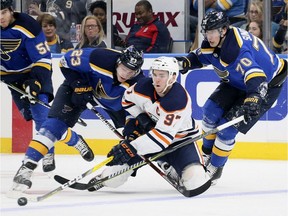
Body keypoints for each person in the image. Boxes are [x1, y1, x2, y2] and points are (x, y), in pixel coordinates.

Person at [9, 45, 145, 193]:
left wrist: (132, 135)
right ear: (118, 61)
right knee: (54, 125)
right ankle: (26, 167)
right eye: (124, 68)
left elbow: (135, 113)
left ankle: (116, 176)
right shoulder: (99, 57)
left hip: (116, 105)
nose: (126, 74)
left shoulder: (138, 84)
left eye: (132, 71)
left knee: (135, 141)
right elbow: (64, 61)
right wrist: (78, 84)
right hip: (79, 89)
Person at [175, 11, 287, 184]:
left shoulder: (237, 49)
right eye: (206, 32)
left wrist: (255, 97)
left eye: (212, 31)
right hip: (238, 81)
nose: (208, 36)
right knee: (210, 112)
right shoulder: (217, 41)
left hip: (266, 84)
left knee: (227, 129)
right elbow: (200, 56)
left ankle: (215, 168)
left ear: (224, 30)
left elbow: (255, 76)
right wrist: (186, 62)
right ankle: (206, 155)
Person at [87, 56, 209, 193]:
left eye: (162, 75)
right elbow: (127, 102)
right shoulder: (143, 86)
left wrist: (131, 147)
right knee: (113, 179)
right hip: (151, 137)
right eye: (155, 74)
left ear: (173, 77)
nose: (156, 79)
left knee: (196, 182)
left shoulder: (178, 100)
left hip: (181, 141)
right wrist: (138, 122)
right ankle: (103, 177)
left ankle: (169, 166)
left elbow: (162, 138)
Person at [0, 0, 93, 176]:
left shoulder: (28, 25)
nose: (0, 18)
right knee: (34, 117)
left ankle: (48, 152)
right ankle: (74, 138)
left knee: (41, 117)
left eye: (3, 12)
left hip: (36, 73)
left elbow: (43, 59)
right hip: (13, 80)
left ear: (11, 11)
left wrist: (35, 82)